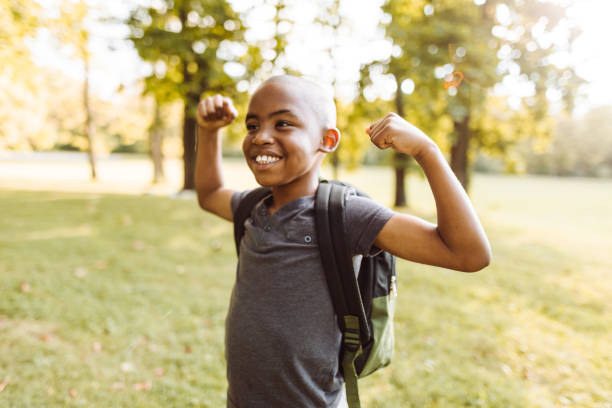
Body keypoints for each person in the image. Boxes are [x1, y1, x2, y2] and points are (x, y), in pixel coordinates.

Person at [195, 75, 491, 408]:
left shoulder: (346, 214)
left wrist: (426, 151)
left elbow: (468, 254)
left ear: (328, 140)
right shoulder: (253, 207)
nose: (261, 137)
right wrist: (208, 131)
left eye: (283, 123)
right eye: (252, 126)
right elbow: (208, 195)